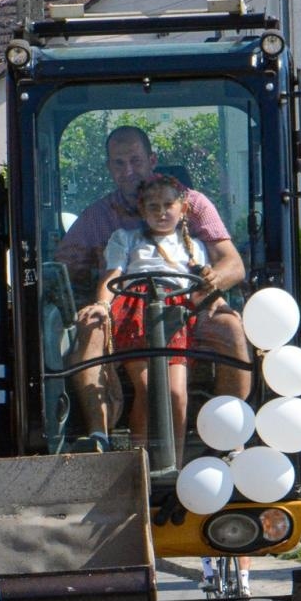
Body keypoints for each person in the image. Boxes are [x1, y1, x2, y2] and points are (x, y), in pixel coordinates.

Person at [56, 125, 250, 447]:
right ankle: (98, 435)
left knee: (230, 327)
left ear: (152, 160)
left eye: (135, 160)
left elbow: (233, 264)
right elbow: (63, 266)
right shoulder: (100, 218)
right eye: (119, 163)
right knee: (90, 325)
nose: (128, 170)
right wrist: (91, 299)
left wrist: (210, 284)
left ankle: (231, 436)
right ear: (109, 167)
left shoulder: (193, 203)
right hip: (128, 308)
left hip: (188, 304)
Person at [83, 174, 209, 453]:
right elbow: (113, 276)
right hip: (136, 310)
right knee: (149, 389)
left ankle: (175, 462)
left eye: (168, 205)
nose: (161, 212)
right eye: (153, 206)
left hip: (176, 314)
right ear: (142, 210)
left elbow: (200, 289)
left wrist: (217, 305)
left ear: (183, 209)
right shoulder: (125, 238)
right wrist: (102, 304)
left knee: (176, 394)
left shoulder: (195, 248)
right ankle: (139, 462)